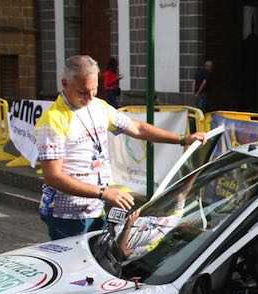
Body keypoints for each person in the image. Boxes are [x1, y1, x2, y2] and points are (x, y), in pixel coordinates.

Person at [36, 54, 205, 240]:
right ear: (65, 84)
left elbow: (138, 128)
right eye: (83, 92)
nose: (90, 97)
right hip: (66, 215)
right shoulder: (52, 120)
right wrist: (103, 193)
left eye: (94, 90)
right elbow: (53, 176)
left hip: (96, 208)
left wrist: (182, 139)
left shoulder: (99, 107)